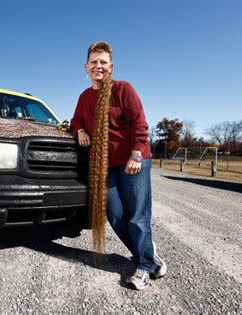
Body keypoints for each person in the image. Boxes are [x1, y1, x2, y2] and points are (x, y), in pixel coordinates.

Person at [70, 41, 167, 290]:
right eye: (94, 62)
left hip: (133, 160)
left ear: (111, 67)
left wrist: (136, 155)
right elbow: (75, 120)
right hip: (106, 165)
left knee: (137, 215)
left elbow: (140, 123)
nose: (98, 66)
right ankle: (149, 255)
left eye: (103, 62)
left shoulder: (123, 89)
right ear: (85, 67)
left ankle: (144, 266)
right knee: (114, 214)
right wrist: (80, 129)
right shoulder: (84, 97)